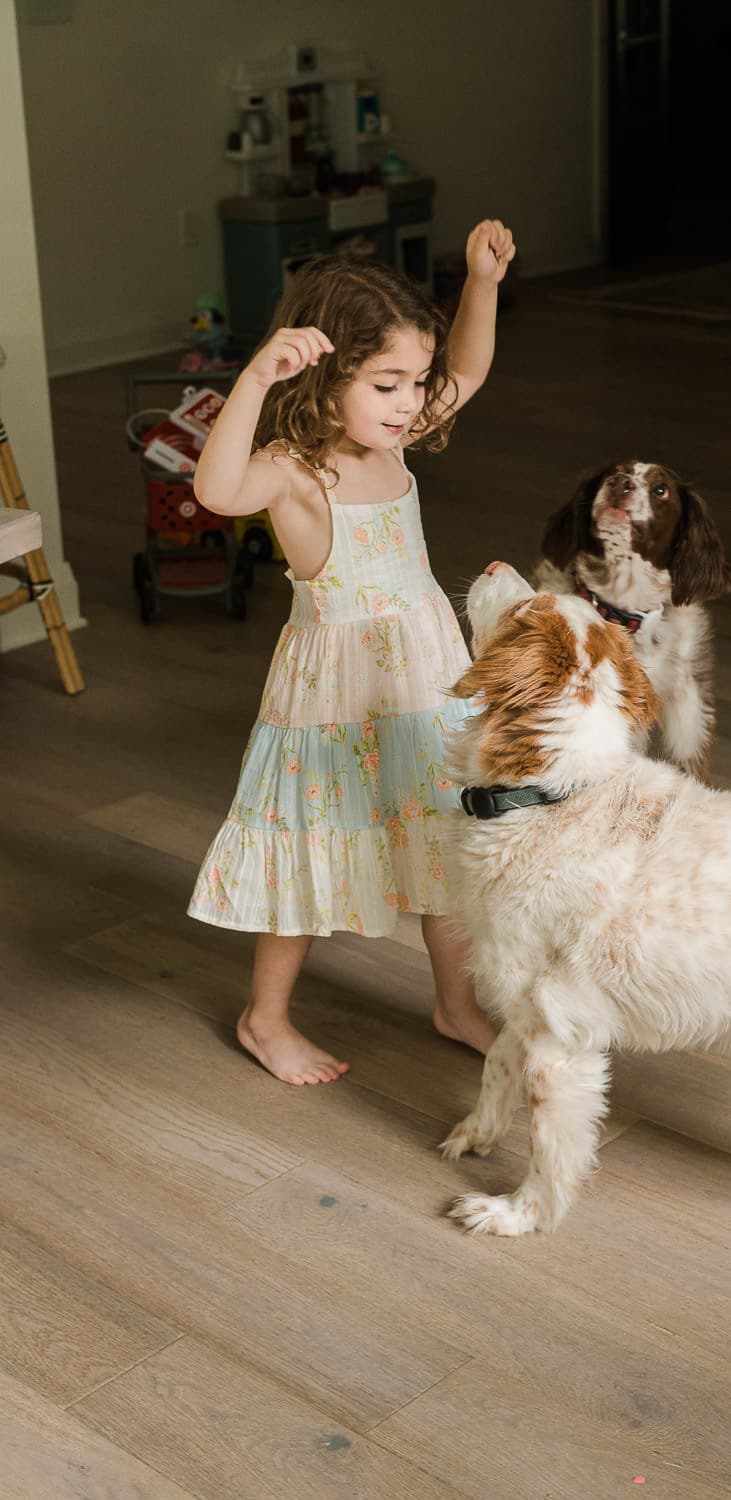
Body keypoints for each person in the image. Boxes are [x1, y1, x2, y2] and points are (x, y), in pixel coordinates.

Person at [188, 221, 515, 1084]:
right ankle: (264, 1019)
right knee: (313, 846)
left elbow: (469, 370)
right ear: (325, 379)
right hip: (332, 699)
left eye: (416, 382)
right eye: (386, 384)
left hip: (422, 681)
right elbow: (216, 491)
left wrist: (480, 285)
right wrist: (254, 377)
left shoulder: (391, 440)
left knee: (442, 838)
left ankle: (456, 1006)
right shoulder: (295, 470)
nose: (411, 402)